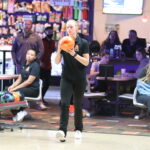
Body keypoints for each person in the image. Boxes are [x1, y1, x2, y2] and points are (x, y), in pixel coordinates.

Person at [55, 19, 89, 142]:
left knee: (78, 105)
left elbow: (86, 62)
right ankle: (62, 131)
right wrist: (59, 49)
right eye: (67, 27)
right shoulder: (63, 42)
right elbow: (57, 61)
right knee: (64, 103)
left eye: (71, 27)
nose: (69, 29)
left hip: (79, 78)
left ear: (77, 28)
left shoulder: (83, 42)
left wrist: (74, 54)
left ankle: (78, 129)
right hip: (66, 78)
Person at [8, 49, 40, 122]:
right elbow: (20, 78)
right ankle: (18, 113)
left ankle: (21, 112)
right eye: (28, 54)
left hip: (33, 89)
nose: (29, 56)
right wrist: (12, 86)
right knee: (9, 93)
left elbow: (29, 82)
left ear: (35, 57)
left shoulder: (35, 66)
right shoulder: (25, 64)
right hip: (25, 88)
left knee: (15, 93)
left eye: (32, 55)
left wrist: (15, 88)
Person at [39, 26, 55, 109]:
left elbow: (53, 51)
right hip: (40, 65)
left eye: (51, 32)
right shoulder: (41, 41)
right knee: (39, 83)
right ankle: (39, 99)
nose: (50, 34)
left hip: (48, 65)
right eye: (48, 32)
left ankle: (42, 97)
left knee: (47, 83)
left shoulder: (53, 42)